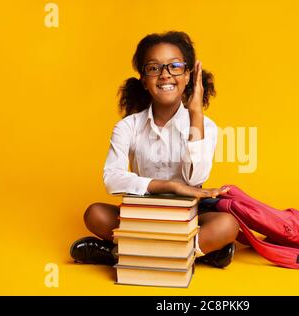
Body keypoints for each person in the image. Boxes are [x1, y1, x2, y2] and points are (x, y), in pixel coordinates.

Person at [69, 31, 240, 268]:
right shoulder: (128, 126)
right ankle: (194, 254)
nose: (165, 75)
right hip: (141, 217)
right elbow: (112, 179)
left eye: (175, 66)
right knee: (95, 214)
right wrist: (168, 185)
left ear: (188, 75)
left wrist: (197, 113)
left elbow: (197, 177)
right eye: (154, 68)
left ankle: (119, 252)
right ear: (143, 79)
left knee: (227, 225)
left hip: (186, 218)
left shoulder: (206, 126)